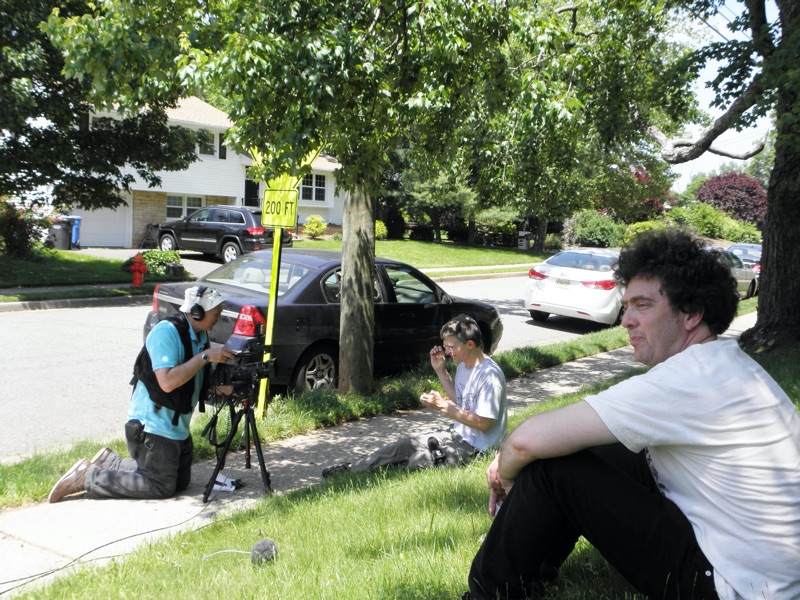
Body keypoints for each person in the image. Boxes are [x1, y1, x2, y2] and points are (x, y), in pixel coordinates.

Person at [465, 229, 800, 600]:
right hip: (771, 578)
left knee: (551, 466)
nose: (626, 320)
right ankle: (534, 568)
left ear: (691, 314)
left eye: (642, 305)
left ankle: (487, 591)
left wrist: (506, 473)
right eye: (626, 306)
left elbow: (527, 443)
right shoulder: (723, 362)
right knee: (578, 448)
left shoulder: (688, 378)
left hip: (733, 588)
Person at [48, 285, 236, 503]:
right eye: (216, 313)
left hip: (177, 427)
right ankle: (87, 477)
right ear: (197, 312)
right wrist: (205, 357)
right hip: (152, 426)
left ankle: (110, 462)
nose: (219, 318)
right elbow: (167, 382)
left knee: (179, 483)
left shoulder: (199, 336)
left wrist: (228, 388)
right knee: (160, 486)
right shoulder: (167, 332)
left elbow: (194, 379)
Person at [322, 313, 507, 477]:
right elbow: (461, 401)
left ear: (470, 344)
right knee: (405, 443)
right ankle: (352, 468)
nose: (447, 352)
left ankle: (425, 458)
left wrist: (443, 406)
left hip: (477, 447)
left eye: (450, 347)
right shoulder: (463, 366)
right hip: (457, 435)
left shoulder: (489, 375)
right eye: (445, 347)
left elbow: (483, 423)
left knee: (418, 461)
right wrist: (441, 371)